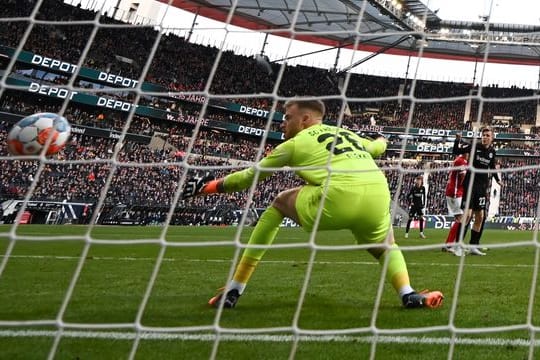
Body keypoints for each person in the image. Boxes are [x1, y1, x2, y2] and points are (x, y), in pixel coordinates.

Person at [183, 99, 443, 309]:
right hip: (377, 193)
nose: (282, 124)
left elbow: (248, 178)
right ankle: (408, 294)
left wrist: (207, 187)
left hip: (338, 196)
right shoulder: (344, 132)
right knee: (385, 246)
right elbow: (376, 149)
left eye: (287, 118)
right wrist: (382, 140)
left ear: (305, 119)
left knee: (278, 203)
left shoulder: (294, 143)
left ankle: (235, 289)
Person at [452, 127, 502, 256]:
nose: (485, 137)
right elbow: (456, 151)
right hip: (470, 184)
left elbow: (492, 167)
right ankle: (457, 246)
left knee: (480, 216)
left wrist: (497, 180)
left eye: (487, 135)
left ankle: (473, 246)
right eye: (483, 135)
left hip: (482, 187)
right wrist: (457, 140)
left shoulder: (492, 151)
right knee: (467, 215)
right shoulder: (474, 146)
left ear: (492, 138)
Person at [443, 152, 469, 255]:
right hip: (455, 193)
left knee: (462, 218)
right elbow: (463, 178)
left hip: (456, 192)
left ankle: (452, 243)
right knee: (461, 219)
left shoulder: (461, 160)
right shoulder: (461, 161)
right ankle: (450, 245)